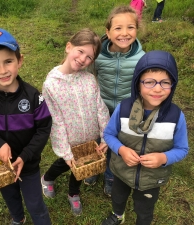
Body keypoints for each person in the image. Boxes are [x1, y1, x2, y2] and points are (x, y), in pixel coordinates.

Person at [0, 28, 52, 225]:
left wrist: (25, 156)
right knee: (10, 196)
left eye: (8, 61)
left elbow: (43, 129)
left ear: (19, 61)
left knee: (35, 204)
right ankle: (18, 218)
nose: (3, 70)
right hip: (0, 164)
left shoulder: (33, 97)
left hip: (28, 165)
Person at [101, 50, 189, 225]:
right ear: (137, 84)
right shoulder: (123, 108)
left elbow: (182, 149)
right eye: (149, 82)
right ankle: (118, 215)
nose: (157, 88)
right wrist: (121, 149)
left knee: (145, 207)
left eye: (165, 82)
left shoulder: (175, 116)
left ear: (173, 84)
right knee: (118, 197)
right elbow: (108, 134)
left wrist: (164, 158)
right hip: (121, 170)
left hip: (151, 178)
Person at [40, 28, 110, 216]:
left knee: (82, 168)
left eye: (89, 57)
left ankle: (73, 192)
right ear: (69, 46)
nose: (83, 59)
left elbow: (100, 108)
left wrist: (105, 136)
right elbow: (56, 121)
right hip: (70, 140)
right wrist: (65, 150)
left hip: (90, 139)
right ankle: (47, 178)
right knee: (66, 163)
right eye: (80, 51)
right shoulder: (51, 85)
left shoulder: (89, 79)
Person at [84, 5, 145, 197]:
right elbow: (86, 78)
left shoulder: (141, 59)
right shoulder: (97, 55)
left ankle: (111, 176)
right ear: (108, 32)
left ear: (137, 29)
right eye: (118, 28)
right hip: (100, 107)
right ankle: (93, 168)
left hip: (124, 111)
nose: (124, 33)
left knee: (117, 143)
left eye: (130, 27)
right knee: (95, 139)